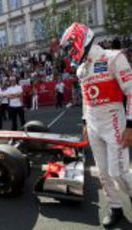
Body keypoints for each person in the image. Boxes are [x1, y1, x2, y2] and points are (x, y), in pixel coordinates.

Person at [60, 22, 132, 228]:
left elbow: (131, 91)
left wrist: (130, 125)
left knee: (117, 172)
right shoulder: (81, 69)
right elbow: (85, 98)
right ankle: (115, 207)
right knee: (102, 172)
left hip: (114, 121)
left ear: (80, 40)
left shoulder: (114, 58)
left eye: (69, 48)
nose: (69, 54)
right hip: (92, 123)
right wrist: (84, 123)